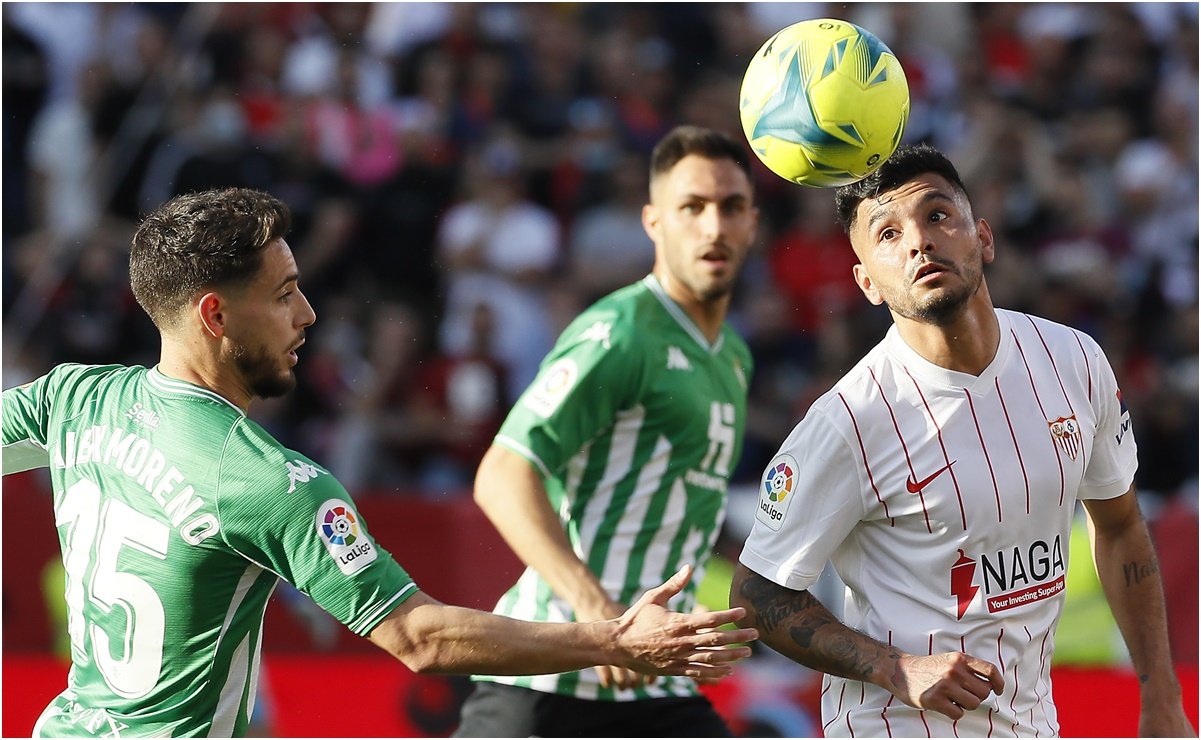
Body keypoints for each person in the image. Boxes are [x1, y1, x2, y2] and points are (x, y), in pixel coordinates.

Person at [0, 187, 758, 738]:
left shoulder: (75, 399)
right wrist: (614, 640)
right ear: (215, 315)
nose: (308, 316)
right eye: (286, 294)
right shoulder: (270, 481)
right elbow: (421, 638)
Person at [730, 144, 1195, 737]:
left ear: (984, 238)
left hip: (1033, 724)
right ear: (867, 282)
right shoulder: (848, 421)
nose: (919, 242)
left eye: (937, 216)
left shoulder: (1074, 362)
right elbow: (756, 593)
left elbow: (1122, 525)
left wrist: (1160, 696)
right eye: (889, 234)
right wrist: (894, 667)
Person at [454, 125, 759, 737]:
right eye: (691, 208)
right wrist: (602, 616)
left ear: (753, 222)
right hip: (553, 681)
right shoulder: (620, 332)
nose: (713, 227)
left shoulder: (733, 357)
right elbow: (503, 474)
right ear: (654, 222)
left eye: (731, 208)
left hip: (657, 676)